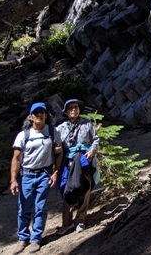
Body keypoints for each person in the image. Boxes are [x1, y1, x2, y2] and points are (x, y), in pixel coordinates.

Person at [10, 102, 63, 254]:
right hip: (26, 175)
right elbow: (16, 158)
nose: (39, 115)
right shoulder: (23, 135)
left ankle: (36, 239)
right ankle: (23, 238)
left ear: (46, 115)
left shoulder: (53, 132)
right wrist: (13, 180)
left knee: (40, 208)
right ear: (31, 116)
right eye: (36, 113)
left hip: (44, 174)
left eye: (42, 112)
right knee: (24, 208)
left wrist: (56, 172)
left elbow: (59, 153)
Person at [55, 98, 99, 235]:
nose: (74, 110)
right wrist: (56, 149)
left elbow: (96, 139)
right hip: (67, 162)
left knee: (84, 188)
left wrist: (92, 151)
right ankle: (66, 223)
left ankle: (80, 220)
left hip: (84, 161)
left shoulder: (87, 124)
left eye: (76, 107)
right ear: (66, 112)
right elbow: (55, 143)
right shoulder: (60, 128)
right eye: (71, 108)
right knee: (67, 189)